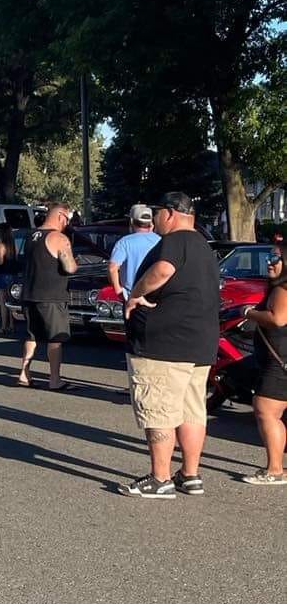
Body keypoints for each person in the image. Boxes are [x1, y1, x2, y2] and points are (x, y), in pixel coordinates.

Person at [122, 191, 220, 497]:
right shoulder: (204, 246)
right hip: (199, 342)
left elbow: (163, 270)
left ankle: (160, 478)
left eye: (157, 214)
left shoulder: (175, 241)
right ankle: (190, 474)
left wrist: (136, 293)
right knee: (192, 410)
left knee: (159, 408)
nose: (155, 221)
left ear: (170, 214)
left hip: (164, 343)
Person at [240, 246, 287, 485]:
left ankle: (275, 469)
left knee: (267, 411)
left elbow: (278, 318)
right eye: (269, 258)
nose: (270, 262)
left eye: (275, 258)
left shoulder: (282, 288)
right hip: (279, 360)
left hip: (279, 363)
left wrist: (250, 313)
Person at [17, 204, 77, 389]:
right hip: (51, 296)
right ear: (60, 216)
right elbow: (69, 267)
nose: (67, 224)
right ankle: (54, 379)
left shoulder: (31, 236)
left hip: (29, 293)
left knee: (32, 336)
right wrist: (75, 263)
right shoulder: (59, 237)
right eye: (66, 219)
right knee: (55, 338)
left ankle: (24, 373)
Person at [108, 205, 160, 299]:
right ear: (151, 222)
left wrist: (118, 290)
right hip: (156, 294)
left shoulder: (124, 242)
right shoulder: (160, 240)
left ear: (132, 221)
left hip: (132, 296)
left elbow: (112, 268)